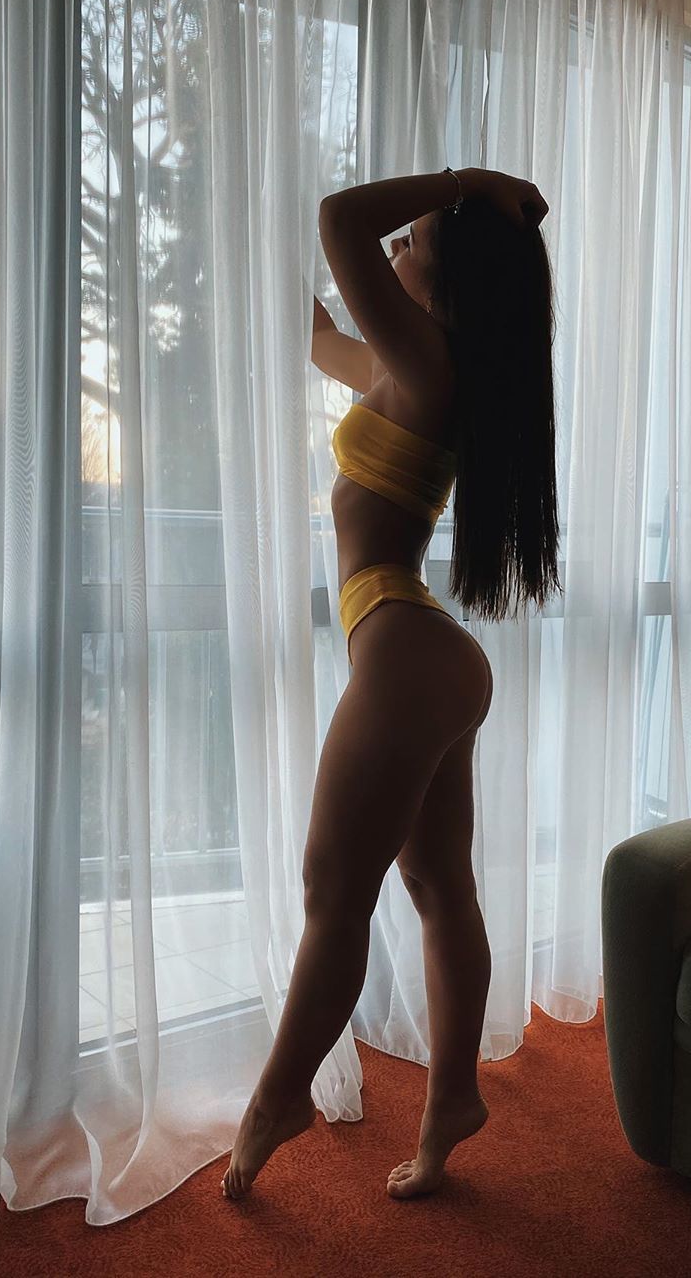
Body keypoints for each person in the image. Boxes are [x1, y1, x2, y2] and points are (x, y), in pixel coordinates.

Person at [222, 167, 562, 1202]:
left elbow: (339, 221)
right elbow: (320, 332)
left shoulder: (430, 364)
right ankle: (453, 1096)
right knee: (437, 886)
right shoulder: (412, 368)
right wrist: (238, 220)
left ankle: (277, 1098)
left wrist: (467, 183)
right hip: (428, 655)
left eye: (411, 245)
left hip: (409, 656)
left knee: (334, 892)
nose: (393, 253)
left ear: (447, 284)